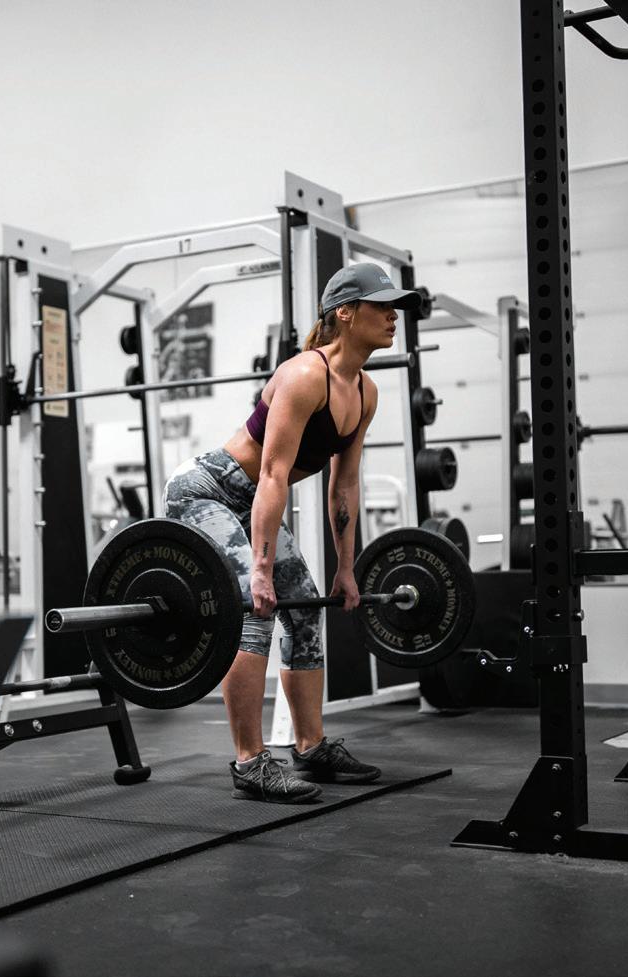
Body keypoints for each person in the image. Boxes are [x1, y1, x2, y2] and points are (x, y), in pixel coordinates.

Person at [163, 263, 421, 802]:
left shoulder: (365, 392)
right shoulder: (305, 375)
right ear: (344, 313)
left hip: (252, 500)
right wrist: (258, 572)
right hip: (207, 491)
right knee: (252, 612)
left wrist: (346, 568)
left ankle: (310, 746)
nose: (393, 316)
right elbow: (273, 474)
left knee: (304, 611)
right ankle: (250, 762)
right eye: (382, 306)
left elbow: (343, 487)